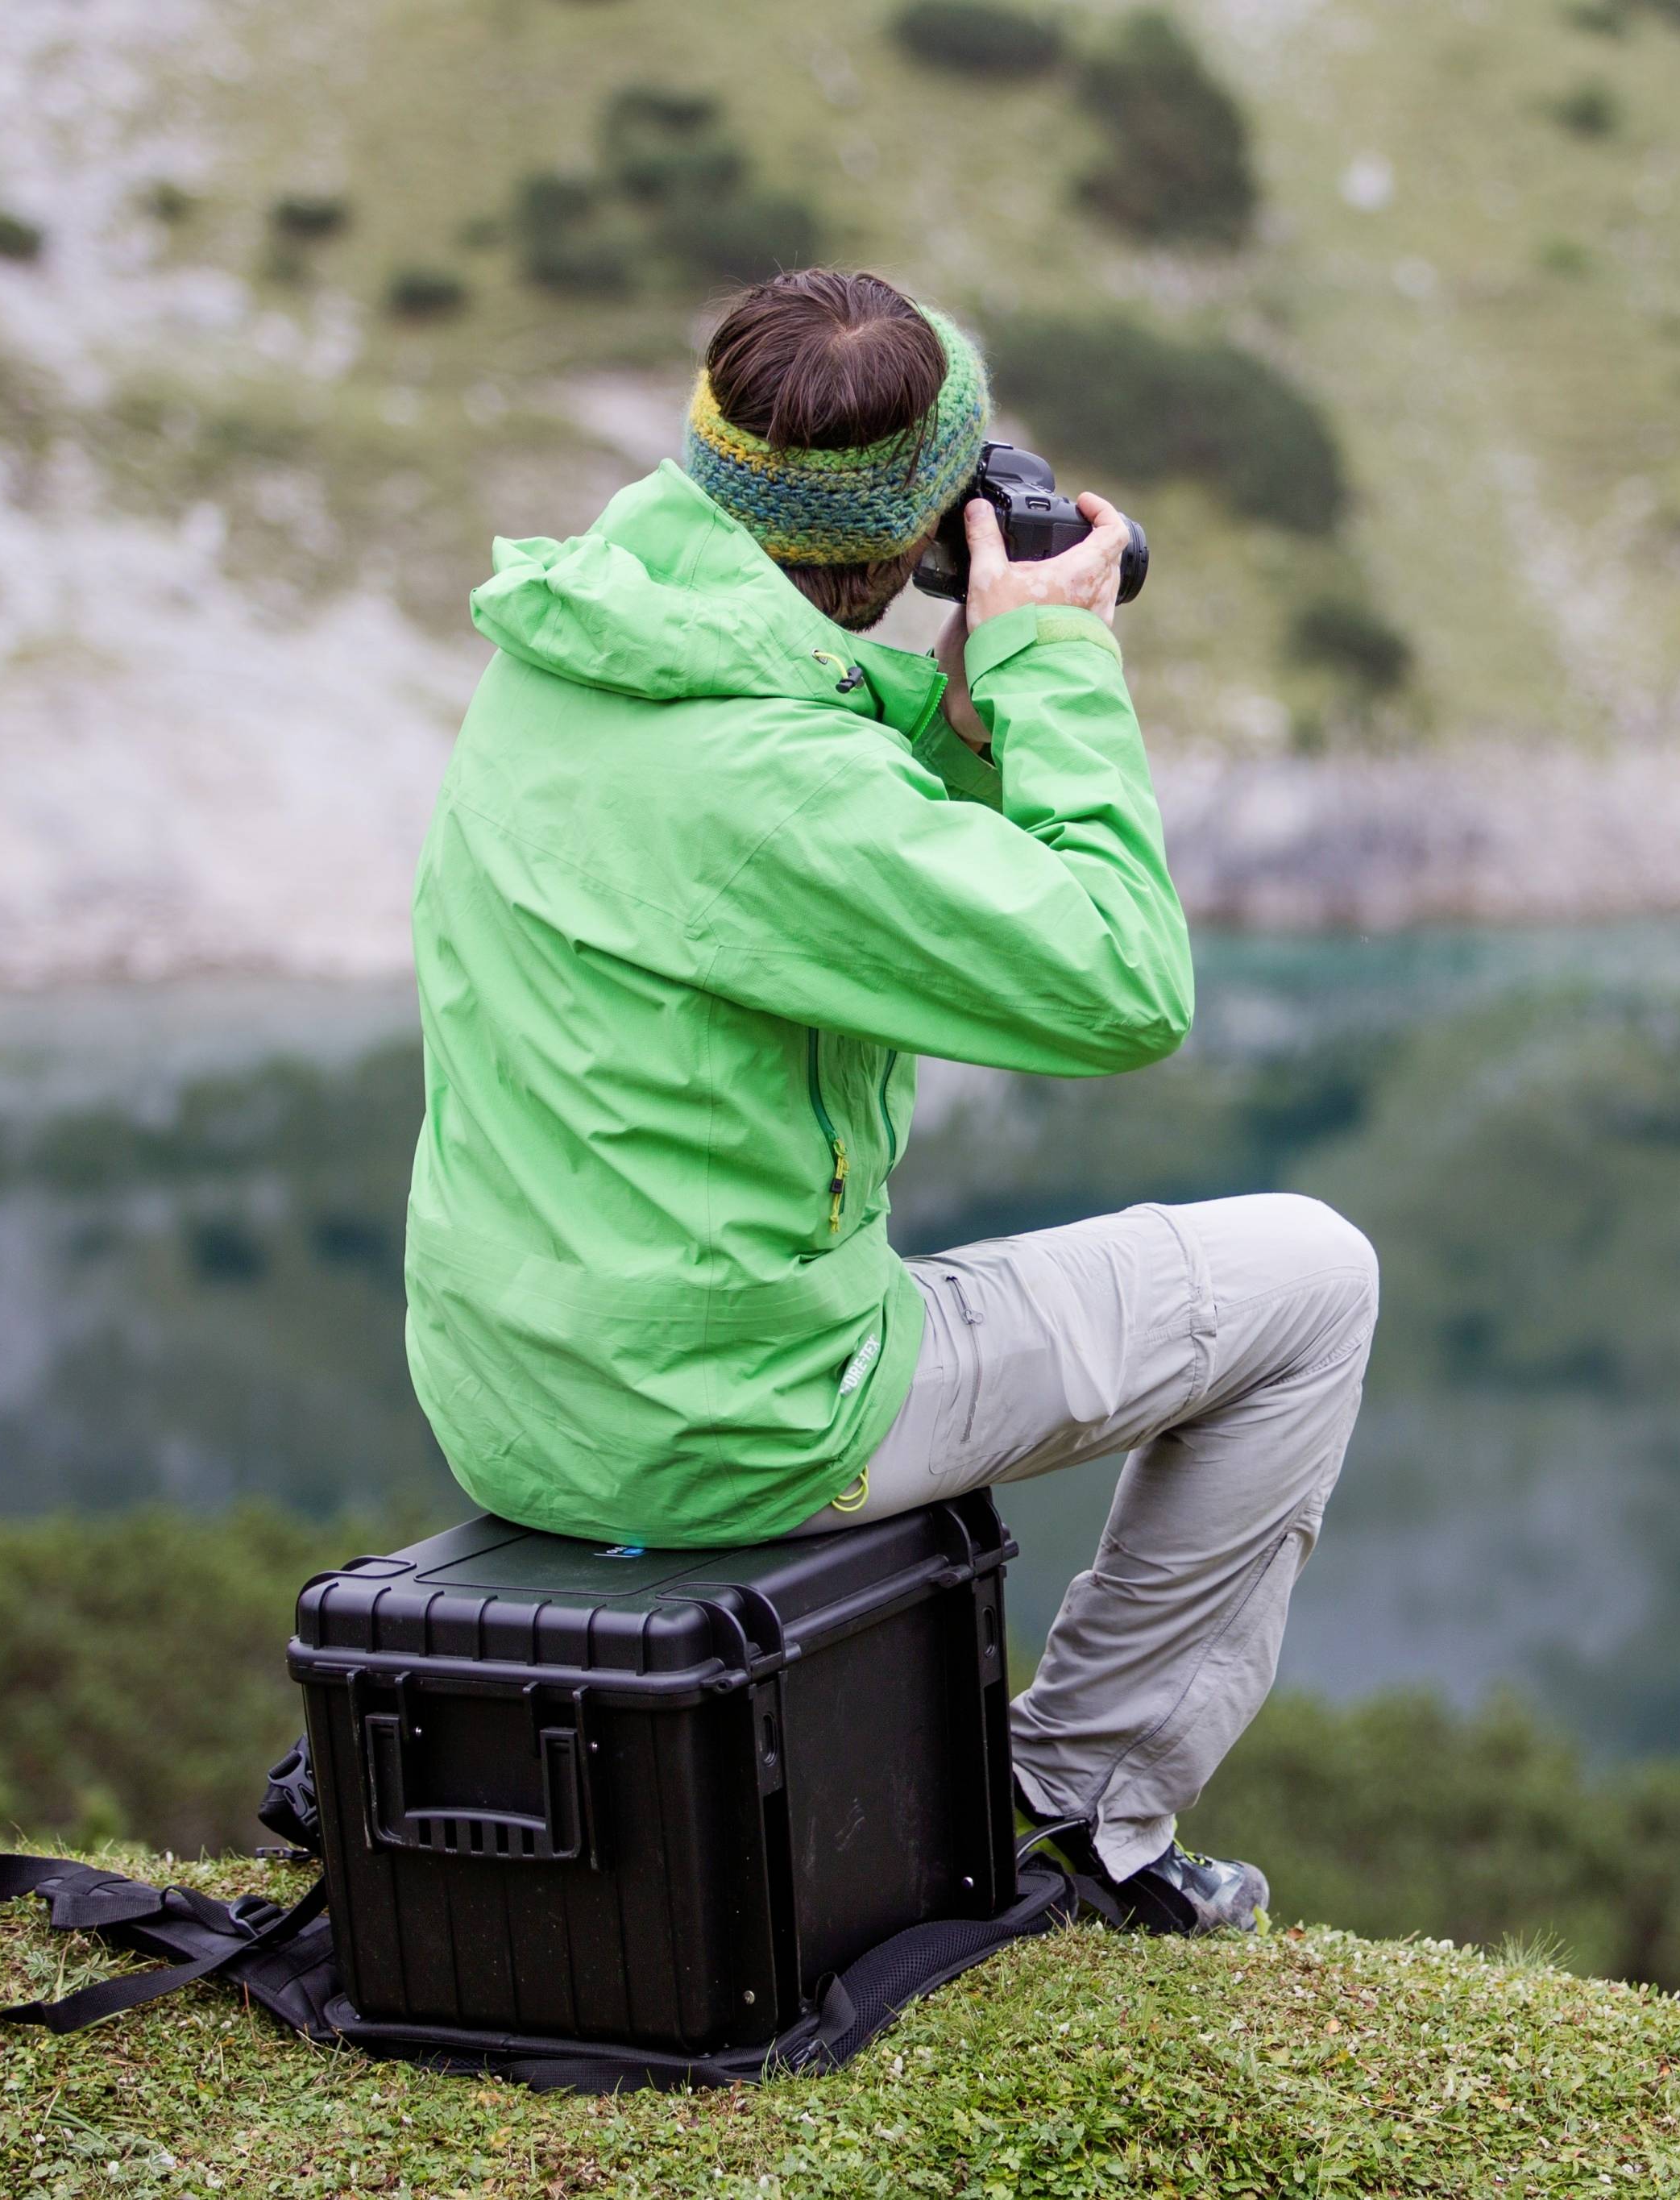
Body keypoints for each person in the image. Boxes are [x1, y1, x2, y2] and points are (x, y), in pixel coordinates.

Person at [400, 268, 1378, 1933]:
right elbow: (1121, 984)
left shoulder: (592, 642)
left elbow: (800, 807)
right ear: (904, 530)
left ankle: (1056, 1796)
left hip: (513, 1396)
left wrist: (951, 679)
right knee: (1310, 1280)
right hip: (728, 1417)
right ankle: (1079, 1805)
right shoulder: (770, 778)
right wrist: (1056, 662)